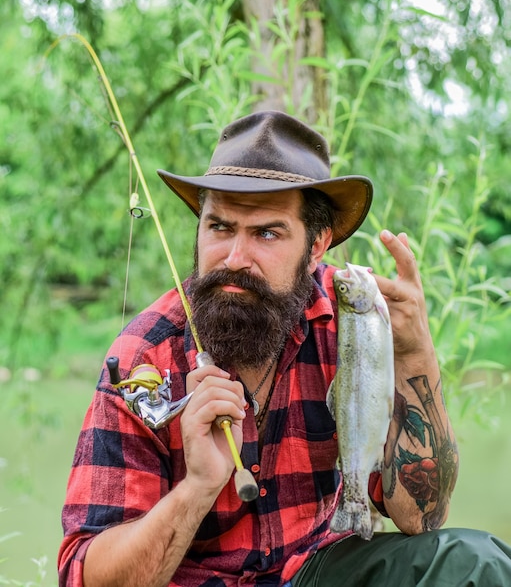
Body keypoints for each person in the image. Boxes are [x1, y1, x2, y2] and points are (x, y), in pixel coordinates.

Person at [58, 111, 511, 586]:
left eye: (267, 233)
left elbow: (422, 518)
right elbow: (85, 576)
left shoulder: (352, 322)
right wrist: (197, 489)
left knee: (475, 563)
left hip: (317, 568)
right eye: (219, 227)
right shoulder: (145, 355)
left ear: (318, 245)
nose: (235, 258)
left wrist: (416, 353)